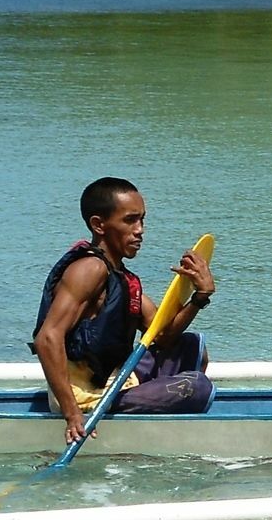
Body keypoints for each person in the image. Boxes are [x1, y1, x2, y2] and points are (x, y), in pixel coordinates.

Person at [32, 176, 217, 444]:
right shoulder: (89, 269)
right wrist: (72, 415)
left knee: (190, 346)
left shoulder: (120, 276)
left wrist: (200, 296)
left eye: (142, 219)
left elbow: (164, 336)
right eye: (130, 220)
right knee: (196, 387)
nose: (140, 230)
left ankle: (148, 418)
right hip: (86, 400)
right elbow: (47, 339)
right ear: (99, 225)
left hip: (117, 381)